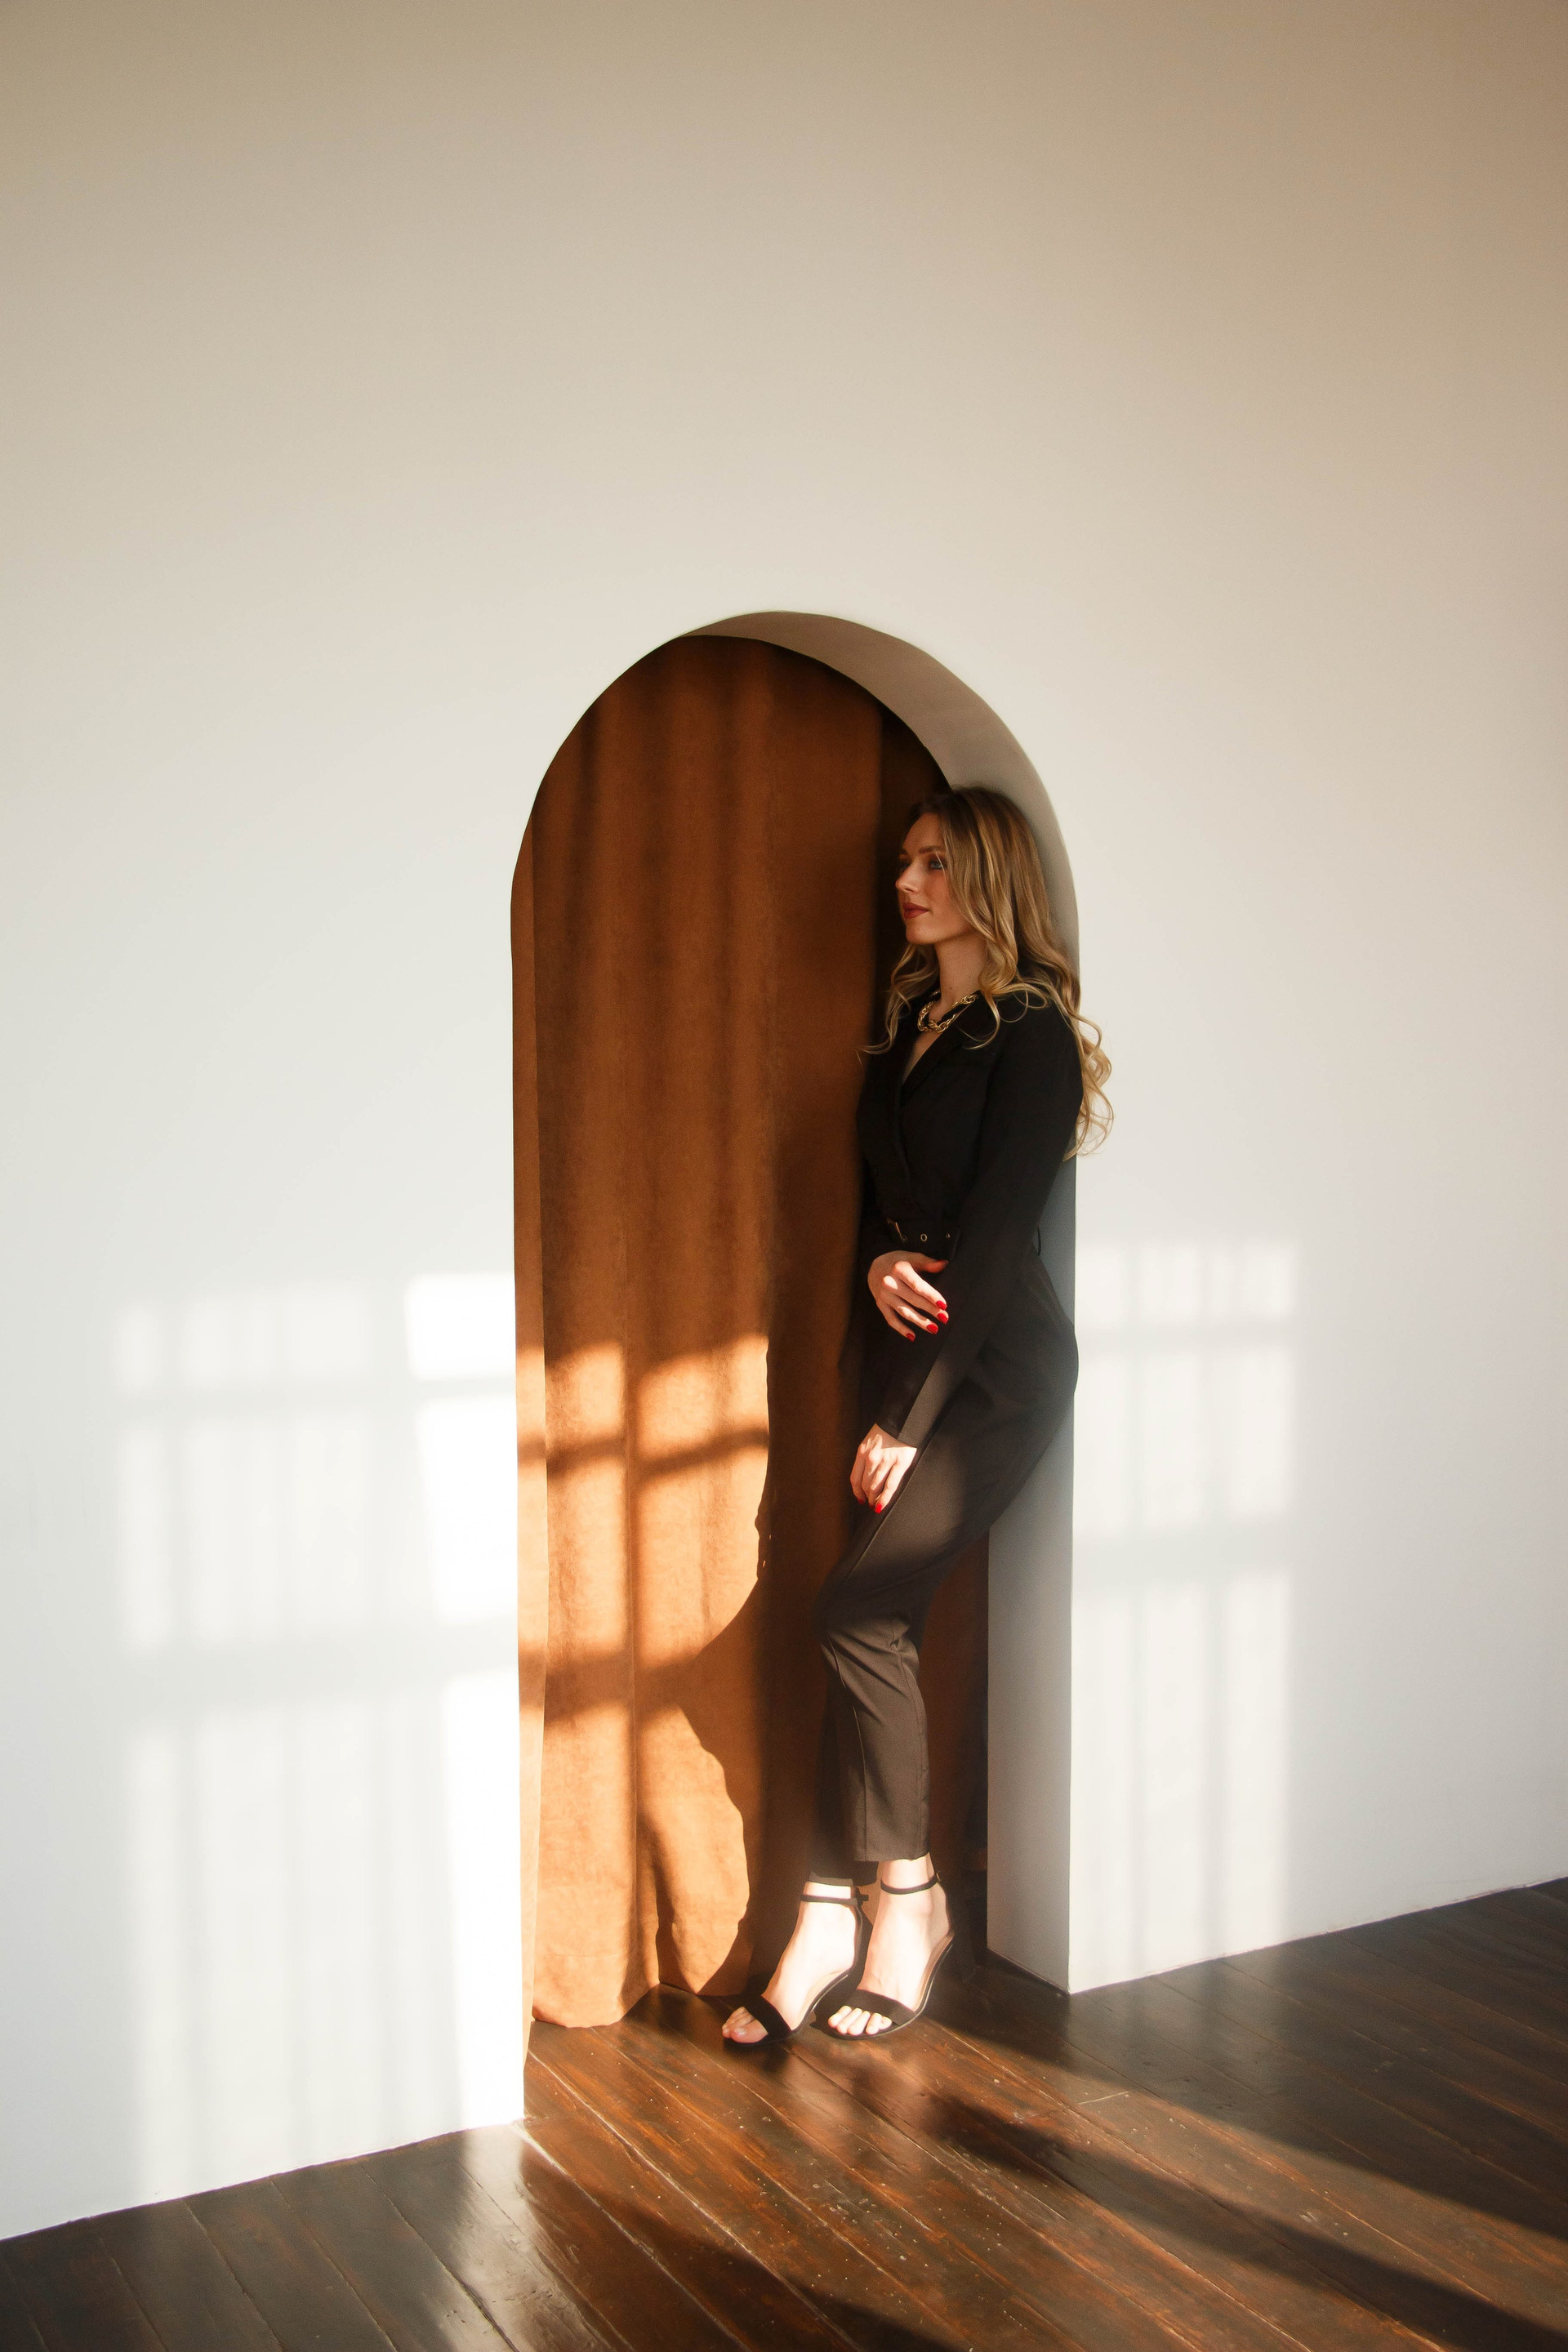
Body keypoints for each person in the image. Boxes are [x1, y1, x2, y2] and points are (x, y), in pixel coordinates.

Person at [724, 784, 1111, 2046]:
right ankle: (825, 1913)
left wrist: (911, 1416)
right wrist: (879, 1263)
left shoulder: (1031, 1036)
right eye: (906, 862)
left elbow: (994, 1242)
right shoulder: (911, 1029)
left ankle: (909, 1900)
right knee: (866, 1625)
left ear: (990, 878)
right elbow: (897, 1212)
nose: (908, 883)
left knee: (857, 1610)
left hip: (995, 1375)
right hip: (906, 1356)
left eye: (936, 863)